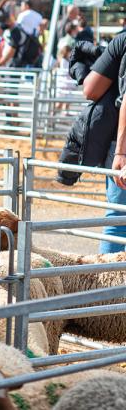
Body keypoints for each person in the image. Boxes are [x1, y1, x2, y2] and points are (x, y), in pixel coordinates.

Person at [84, 32, 126, 252]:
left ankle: (111, 284)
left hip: (122, 144)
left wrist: (121, 152)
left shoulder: (122, 40)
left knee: (118, 220)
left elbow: (90, 89)